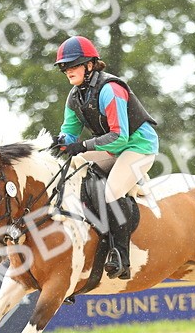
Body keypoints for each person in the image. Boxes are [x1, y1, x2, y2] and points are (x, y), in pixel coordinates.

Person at [50, 35, 159, 280]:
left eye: (73, 65)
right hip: (114, 149)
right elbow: (70, 132)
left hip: (139, 147)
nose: (68, 71)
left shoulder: (110, 89)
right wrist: (61, 141)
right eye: (64, 67)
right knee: (74, 167)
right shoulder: (75, 96)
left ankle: (121, 256)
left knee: (111, 192)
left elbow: (119, 137)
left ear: (90, 65)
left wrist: (83, 145)